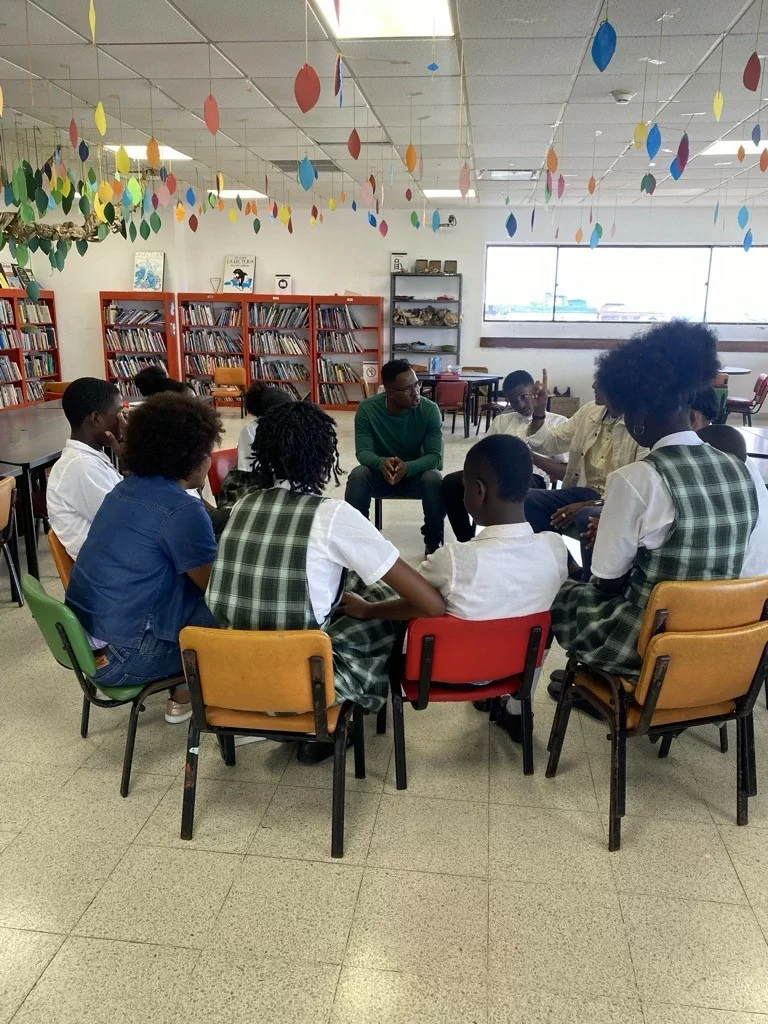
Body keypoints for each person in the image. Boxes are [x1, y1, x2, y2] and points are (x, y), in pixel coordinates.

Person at [206, 401, 445, 763]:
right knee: (381, 617)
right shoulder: (333, 516)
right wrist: (372, 611)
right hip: (303, 686)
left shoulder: (241, 507)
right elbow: (431, 604)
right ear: (324, 457)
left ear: (263, 455)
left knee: (340, 590)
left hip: (231, 678)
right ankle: (327, 727)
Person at [551, 321, 768, 695]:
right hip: (725, 638)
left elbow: (608, 579)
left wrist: (606, 542)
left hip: (651, 644)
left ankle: (606, 684)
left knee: (568, 592)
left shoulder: (637, 478)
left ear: (638, 415)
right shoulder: (742, 468)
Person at [346, 434, 568, 743]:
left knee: (384, 604)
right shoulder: (556, 548)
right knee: (538, 625)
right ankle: (519, 712)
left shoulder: (454, 558)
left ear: (478, 491)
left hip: (445, 676)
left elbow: (411, 602)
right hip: (516, 670)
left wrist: (367, 609)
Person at [65, 393, 223, 724]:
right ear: (190, 457)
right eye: (207, 453)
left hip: (87, 641)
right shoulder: (183, 510)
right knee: (234, 607)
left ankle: (183, 693)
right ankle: (240, 705)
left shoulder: (125, 489)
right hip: (125, 659)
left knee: (182, 587)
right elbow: (218, 589)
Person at [524, 366, 649, 580]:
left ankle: (593, 584)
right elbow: (549, 443)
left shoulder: (640, 422)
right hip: (583, 491)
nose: (593, 386)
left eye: (599, 382)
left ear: (620, 388)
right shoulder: (589, 412)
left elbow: (640, 485)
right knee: (526, 500)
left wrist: (593, 505)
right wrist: (539, 411)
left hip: (618, 500)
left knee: (587, 516)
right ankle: (569, 568)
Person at [441, 369, 568, 543]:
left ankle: (510, 540)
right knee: (451, 482)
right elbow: (483, 452)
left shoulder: (558, 422)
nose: (520, 404)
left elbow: (565, 468)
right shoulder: (503, 421)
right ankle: (466, 541)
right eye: (513, 400)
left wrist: (532, 458)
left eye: (523, 396)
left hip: (532, 477)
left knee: (503, 487)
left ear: (534, 392)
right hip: (493, 474)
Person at [344, 358, 445, 555]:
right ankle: (358, 541)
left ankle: (433, 543)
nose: (416, 393)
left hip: (417, 476)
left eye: (417, 384)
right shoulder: (367, 409)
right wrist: (381, 462)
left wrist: (408, 467)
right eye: (408, 389)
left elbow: (435, 457)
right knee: (358, 475)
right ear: (389, 392)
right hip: (383, 474)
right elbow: (363, 452)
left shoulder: (429, 409)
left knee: (434, 478)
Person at [47, 378, 126, 560]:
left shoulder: (88, 459)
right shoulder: (81, 467)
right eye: (119, 413)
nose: (123, 420)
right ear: (96, 418)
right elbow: (129, 521)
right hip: (109, 572)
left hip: (115, 559)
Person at [216, 383, 295, 508]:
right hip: (250, 482)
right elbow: (254, 471)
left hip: (277, 482)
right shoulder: (251, 430)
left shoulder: (291, 429)